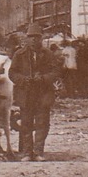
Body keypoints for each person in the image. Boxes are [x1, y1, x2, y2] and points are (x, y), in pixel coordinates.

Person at [9, 26, 64, 161]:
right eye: (31, 37)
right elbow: (12, 73)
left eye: (37, 37)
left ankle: (38, 152)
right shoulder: (19, 54)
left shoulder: (48, 54)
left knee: (42, 123)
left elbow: (56, 71)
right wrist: (22, 79)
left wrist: (44, 78)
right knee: (26, 123)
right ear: (27, 39)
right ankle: (27, 153)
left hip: (43, 93)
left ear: (41, 38)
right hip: (25, 93)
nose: (34, 40)